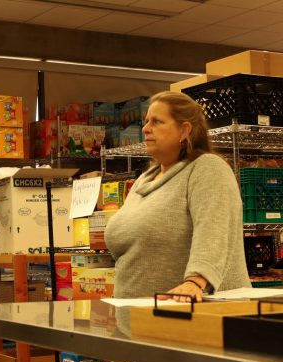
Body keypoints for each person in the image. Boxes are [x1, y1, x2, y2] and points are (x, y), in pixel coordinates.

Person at [104, 91, 250, 304]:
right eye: (146, 122)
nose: (145, 129)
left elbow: (215, 231)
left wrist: (196, 281)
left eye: (157, 122)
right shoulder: (143, 180)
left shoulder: (207, 168)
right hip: (138, 320)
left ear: (184, 130)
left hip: (196, 317)